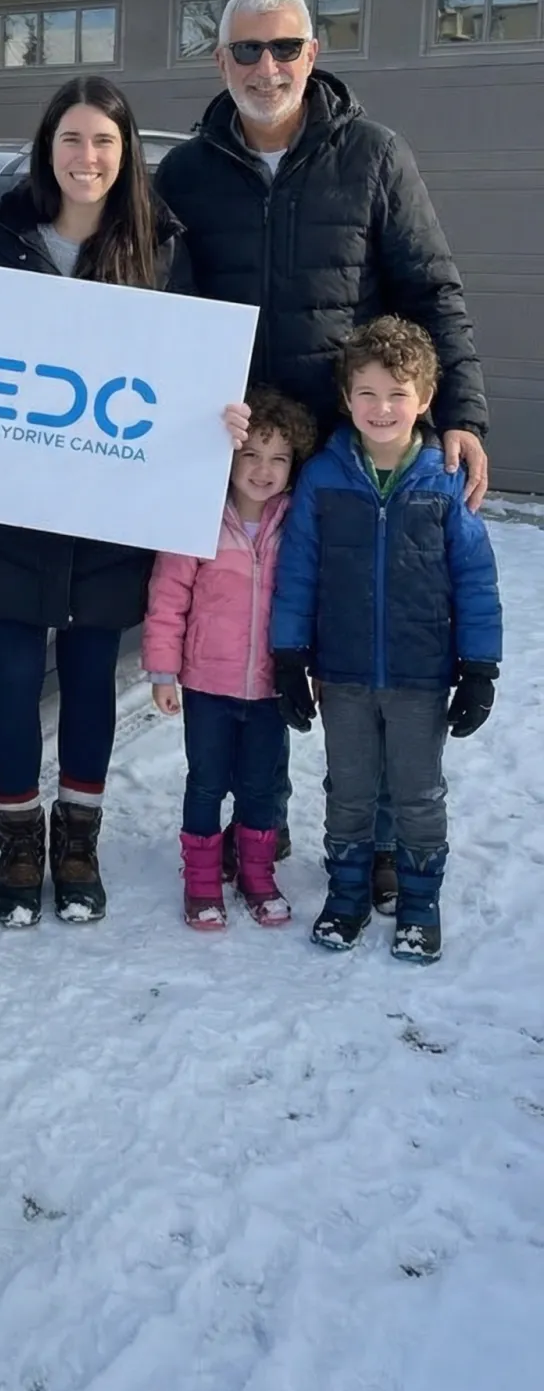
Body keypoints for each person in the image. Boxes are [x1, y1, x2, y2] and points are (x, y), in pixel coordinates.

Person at [0, 74, 248, 930]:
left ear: (127, 155)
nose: (88, 158)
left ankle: (77, 843)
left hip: (110, 512)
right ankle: (19, 844)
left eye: (104, 142)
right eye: (72, 139)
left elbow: (187, 372)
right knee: (13, 685)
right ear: (48, 147)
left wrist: (220, 416)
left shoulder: (162, 247)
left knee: (88, 684)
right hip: (6, 510)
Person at [152, 0, 492, 888]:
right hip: (240, 457)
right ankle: (252, 821)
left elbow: (431, 289)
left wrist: (459, 412)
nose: (267, 67)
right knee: (246, 641)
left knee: (356, 649)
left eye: (284, 48)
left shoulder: (373, 154)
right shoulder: (185, 175)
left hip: (349, 452)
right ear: (221, 61)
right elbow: (156, 308)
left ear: (313, 54)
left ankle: (372, 837)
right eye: (248, 50)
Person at [270, 317, 502, 963]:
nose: (382, 408)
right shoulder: (323, 477)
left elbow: (475, 578)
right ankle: (346, 895)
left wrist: (480, 667)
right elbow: (297, 571)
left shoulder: (444, 478)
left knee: (417, 792)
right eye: (367, 393)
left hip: (419, 674)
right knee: (347, 789)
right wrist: (289, 656)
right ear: (346, 398)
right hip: (342, 672)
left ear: (425, 399)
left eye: (398, 393)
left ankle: (420, 903)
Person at [143, 388, 317, 930]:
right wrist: (163, 670)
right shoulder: (201, 520)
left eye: (279, 458)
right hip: (207, 684)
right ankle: (201, 880)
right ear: (230, 457)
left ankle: (256, 875)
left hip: (269, 687)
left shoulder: (298, 525)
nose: (264, 470)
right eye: (253, 455)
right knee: (206, 781)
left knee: (260, 785)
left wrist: (311, 669)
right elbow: (168, 599)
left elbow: (312, 600)